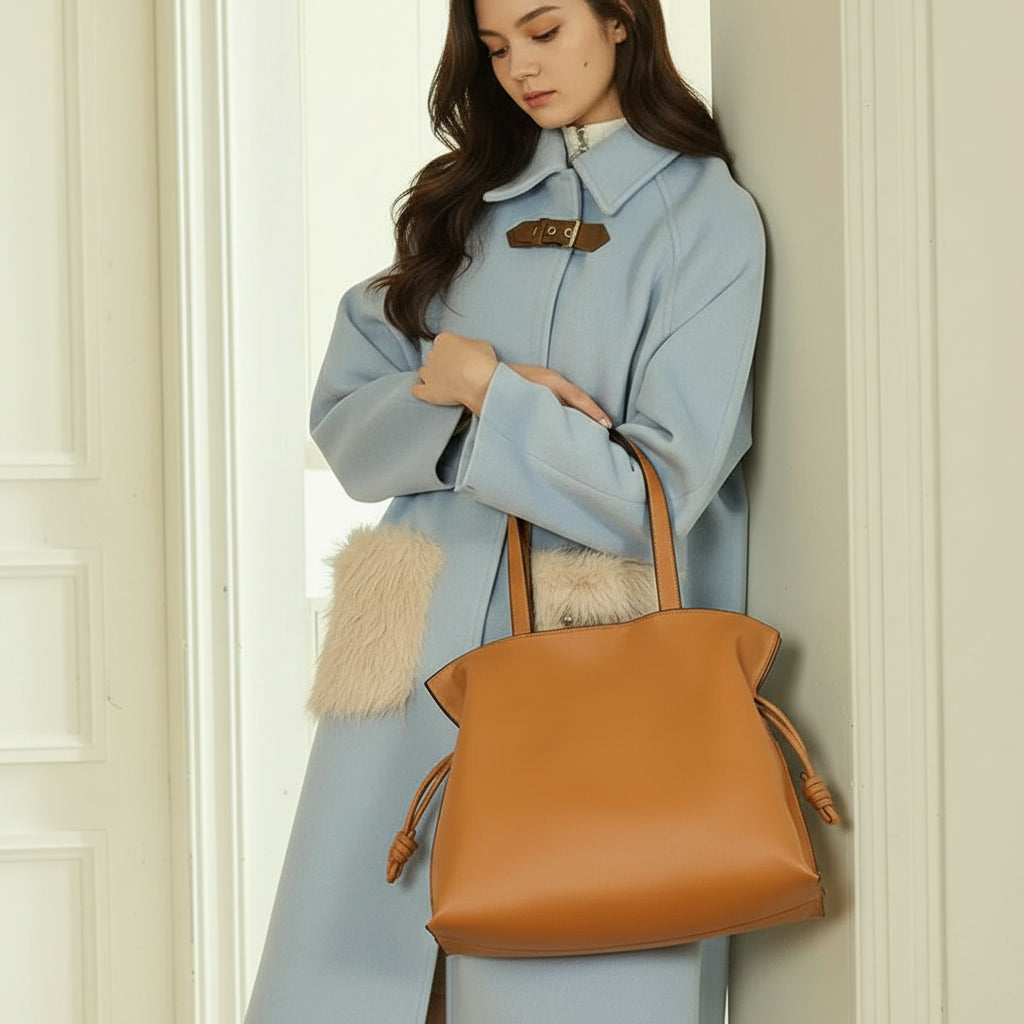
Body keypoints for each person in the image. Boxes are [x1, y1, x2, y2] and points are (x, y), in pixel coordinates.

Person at [245, 0, 765, 1020]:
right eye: (494, 47)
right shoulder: (461, 204)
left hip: (587, 647)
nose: (520, 67)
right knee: (369, 965)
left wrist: (490, 390)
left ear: (621, 21)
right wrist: (442, 383)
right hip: (413, 644)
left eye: (543, 30)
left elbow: (648, 491)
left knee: (560, 965)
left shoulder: (702, 218)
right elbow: (348, 432)